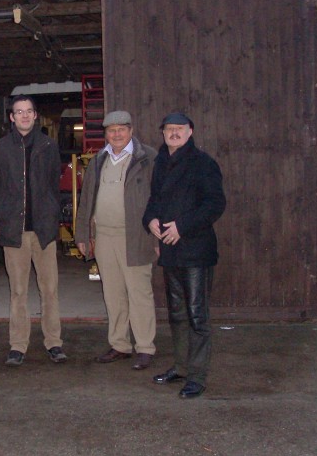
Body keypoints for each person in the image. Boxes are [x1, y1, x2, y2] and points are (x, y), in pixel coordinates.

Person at [143, 112, 226, 399]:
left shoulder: (203, 164)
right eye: (169, 129)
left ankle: (198, 376)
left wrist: (183, 226)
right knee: (177, 313)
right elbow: (154, 199)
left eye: (179, 129)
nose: (174, 133)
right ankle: (180, 366)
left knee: (197, 315)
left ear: (190, 132)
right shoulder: (162, 162)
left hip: (195, 250)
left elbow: (215, 204)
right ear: (163, 133)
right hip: (170, 250)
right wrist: (150, 219)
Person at [0, 94, 67, 366]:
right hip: (14, 231)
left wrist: (53, 217)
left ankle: (54, 342)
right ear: (11, 117)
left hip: (43, 230)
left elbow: (54, 187)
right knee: (18, 290)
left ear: (35, 116)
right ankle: (18, 345)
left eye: (28, 111)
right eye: (18, 112)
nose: (23, 116)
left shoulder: (48, 146)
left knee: (50, 289)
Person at [74, 110, 159, 370]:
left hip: (136, 236)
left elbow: (160, 197)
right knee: (113, 294)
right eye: (112, 130)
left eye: (122, 129)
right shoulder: (99, 159)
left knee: (139, 293)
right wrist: (82, 234)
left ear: (131, 130)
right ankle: (120, 344)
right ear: (106, 134)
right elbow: (87, 198)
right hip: (104, 236)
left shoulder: (148, 158)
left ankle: (145, 347)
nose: (117, 134)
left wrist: (157, 237)